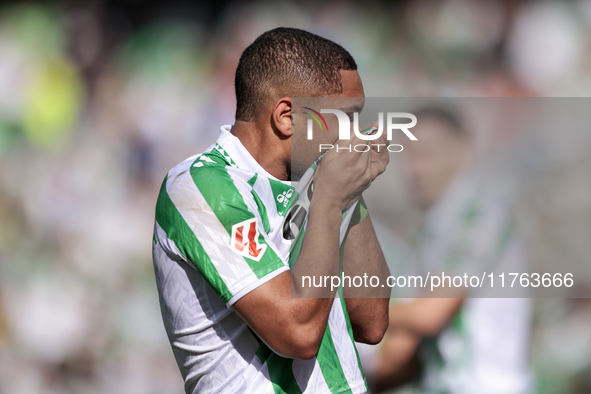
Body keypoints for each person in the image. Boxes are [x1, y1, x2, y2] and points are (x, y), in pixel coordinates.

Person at [152, 27, 391, 394]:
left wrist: (351, 191)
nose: (355, 135)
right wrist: (328, 198)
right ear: (286, 117)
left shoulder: (317, 182)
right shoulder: (199, 186)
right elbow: (298, 333)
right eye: (346, 118)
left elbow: (371, 321)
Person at [368, 107, 532, 394]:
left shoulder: (479, 216)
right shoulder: (432, 230)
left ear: (463, 152)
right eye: (409, 155)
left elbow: (428, 314)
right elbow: (403, 348)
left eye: (427, 154)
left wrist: (343, 310)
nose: (414, 169)